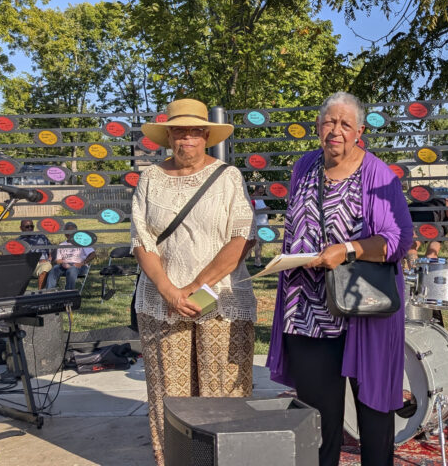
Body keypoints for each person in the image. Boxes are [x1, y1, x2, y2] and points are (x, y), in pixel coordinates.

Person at [266, 91, 413, 466]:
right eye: (329, 122)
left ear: (359, 131)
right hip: (308, 312)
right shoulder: (304, 167)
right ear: (318, 127)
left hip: (363, 310)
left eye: (345, 124)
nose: (336, 130)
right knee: (318, 424)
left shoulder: (377, 173)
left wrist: (346, 249)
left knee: (374, 421)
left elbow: (397, 241)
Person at [131, 98, 256, 466]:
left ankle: (226, 460)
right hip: (161, 302)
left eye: (194, 132)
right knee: (171, 397)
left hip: (222, 300)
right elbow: (141, 240)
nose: (187, 140)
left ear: (206, 136)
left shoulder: (228, 177)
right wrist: (169, 290)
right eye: (179, 132)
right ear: (168, 136)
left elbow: (242, 236)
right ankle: (174, 460)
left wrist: (195, 287)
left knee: (223, 394)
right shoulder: (150, 178)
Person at [44, 222, 96, 290]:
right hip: (64, 265)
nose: (69, 234)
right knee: (54, 269)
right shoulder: (61, 245)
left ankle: (69, 293)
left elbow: (93, 254)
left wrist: (82, 263)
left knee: (72, 270)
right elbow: (58, 260)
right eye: (67, 231)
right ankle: (49, 292)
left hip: (80, 266)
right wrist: (63, 263)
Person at [17, 219, 52, 289]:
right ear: (21, 228)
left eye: (31, 226)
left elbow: (51, 251)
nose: (30, 228)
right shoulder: (18, 241)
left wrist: (49, 260)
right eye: (27, 227)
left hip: (43, 263)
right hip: (28, 265)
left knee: (45, 268)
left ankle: (40, 294)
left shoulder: (41, 237)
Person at [251, 185, 269, 266]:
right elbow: (252, 211)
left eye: (262, 192)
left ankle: (258, 260)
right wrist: (264, 209)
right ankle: (257, 262)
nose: (261, 194)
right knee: (257, 243)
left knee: (260, 244)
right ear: (256, 191)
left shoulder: (260, 198)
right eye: (260, 192)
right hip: (257, 223)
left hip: (263, 223)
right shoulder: (252, 199)